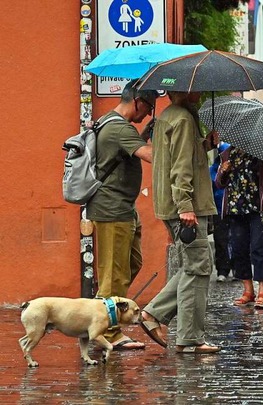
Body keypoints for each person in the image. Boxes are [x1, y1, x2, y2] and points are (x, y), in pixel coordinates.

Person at [140, 90, 220, 354]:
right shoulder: (184, 119)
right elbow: (181, 167)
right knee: (198, 267)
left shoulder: (169, 116)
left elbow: (180, 157)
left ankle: (153, 314)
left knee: (193, 265)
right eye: (194, 88)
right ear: (182, 91)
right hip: (186, 208)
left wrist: (206, 144)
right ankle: (190, 337)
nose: (198, 92)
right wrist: (185, 205)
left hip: (171, 204)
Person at [87, 79, 157, 351]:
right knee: (113, 275)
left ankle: (99, 315)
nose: (148, 114)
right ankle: (109, 332)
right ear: (137, 101)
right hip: (112, 209)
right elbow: (150, 155)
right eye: (148, 108)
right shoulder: (118, 128)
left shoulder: (111, 123)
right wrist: (170, 142)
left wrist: (146, 132)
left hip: (122, 209)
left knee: (129, 265)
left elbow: (127, 151)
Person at [216, 147, 263, 310]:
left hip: (260, 209)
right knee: (238, 250)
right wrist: (223, 171)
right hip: (236, 211)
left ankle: (262, 292)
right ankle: (248, 291)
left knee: (259, 248)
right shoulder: (227, 155)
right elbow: (219, 183)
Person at [210, 142, 234, 282]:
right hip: (219, 211)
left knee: (236, 240)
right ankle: (222, 270)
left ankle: (237, 268)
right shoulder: (212, 170)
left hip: (234, 210)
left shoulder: (236, 169)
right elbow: (211, 190)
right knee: (221, 240)